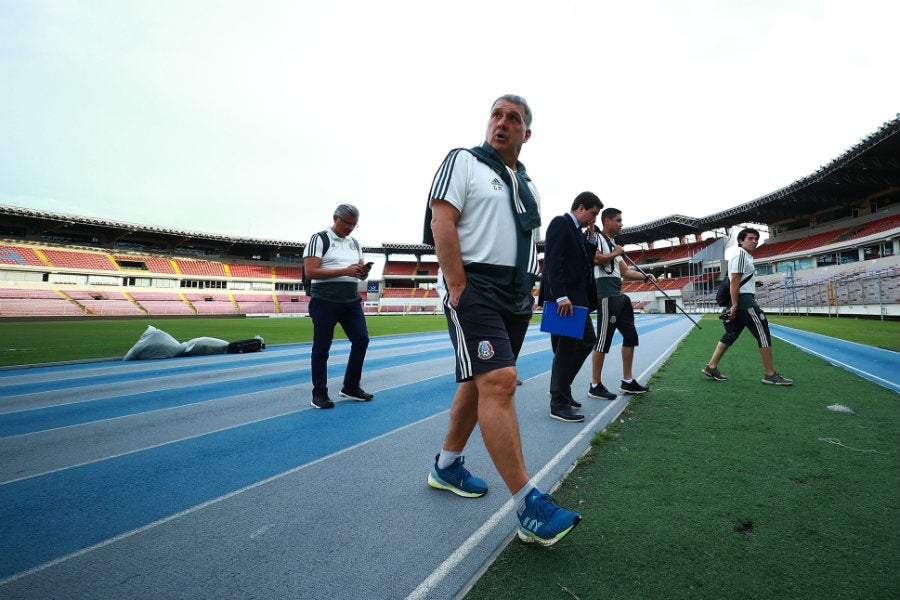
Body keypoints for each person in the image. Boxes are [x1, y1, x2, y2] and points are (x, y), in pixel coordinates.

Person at [423, 94, 581, 546]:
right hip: (474, 286)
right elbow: (442, 219)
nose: (502, 123)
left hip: (514, 295)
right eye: (497, 115)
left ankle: (447, 466)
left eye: (513, 118)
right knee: (501, 380)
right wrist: (457, 286)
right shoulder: (464, 161)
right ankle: (528, 505)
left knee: (477, 382)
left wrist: (529, 289)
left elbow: (527, 240)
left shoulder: (527, 185)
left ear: (526, 133)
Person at [303, 204, 374, 409]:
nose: (350, 228)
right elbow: (311, 271)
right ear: (336, 218)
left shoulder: (355, 243)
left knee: (361, 340)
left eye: (354, 225)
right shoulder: (319, 238)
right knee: (322, 348)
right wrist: (345, 271)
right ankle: (319, 393)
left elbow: (358, 271)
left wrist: (362, 272)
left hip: (350, 300)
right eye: (347, 224)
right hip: (325, 300)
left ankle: (351, 386)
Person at [540, 192, 603, 423]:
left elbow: (583, 262)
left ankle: (561, 389)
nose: (593, 219)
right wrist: (560, 296)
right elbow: (553, 261)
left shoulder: (577, 232)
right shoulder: (560, 223)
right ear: (581, 208)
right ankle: (558, 402)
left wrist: (591, 240)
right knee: (566, 348)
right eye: (593, 214)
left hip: (577, 300)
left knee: (585, 341)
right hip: (565, 300)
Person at [702, 227, 793, 386]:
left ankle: (711, 367)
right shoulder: (740, 254)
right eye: (750, 238)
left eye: (756, 239)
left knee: (731, 334)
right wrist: (736, 304)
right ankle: (770, 374)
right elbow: (735, 280)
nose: (754, 241)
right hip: (743, 301)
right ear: (740, 241)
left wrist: (753, 282)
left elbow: (739, 278)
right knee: (762, 332)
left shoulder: (745, 257)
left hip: (741, 299)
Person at [588, 208, 657, 399]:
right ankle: (595, 385)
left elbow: (625, 272)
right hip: (606, 296)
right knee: (603, 341)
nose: (621, 223)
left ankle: (627, 381)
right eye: (618, 220)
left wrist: (644, 277)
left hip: (619, 296)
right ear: (607, 221)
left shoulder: (613, 244)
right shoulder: (598, 238)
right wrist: (616, 252)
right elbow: (596, 259)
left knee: (631, 336)